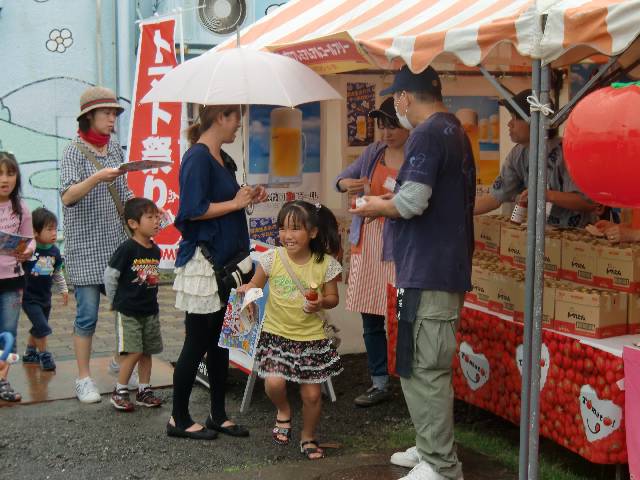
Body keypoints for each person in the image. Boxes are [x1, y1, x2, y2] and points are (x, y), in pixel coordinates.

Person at [350, 66, 475, 480]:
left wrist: (375, 205)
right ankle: (428, 448)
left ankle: (440, 465)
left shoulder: (428, 133)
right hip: (427, 268)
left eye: (396, 98)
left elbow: (412, 202)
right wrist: (388, 204)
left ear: (404, 97)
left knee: (425, 368)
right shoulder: (451, 130)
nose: (396, 107)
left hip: (429, 269)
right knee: (414, 362)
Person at [167, 104, 267, 440]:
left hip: (227, 261)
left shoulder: (222, 158)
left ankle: (218, 415)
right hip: (205, 263)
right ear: (220, 117)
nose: (238, 125)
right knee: (197, 342)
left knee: (222, 341)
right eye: (236, 117)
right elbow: (192, 210)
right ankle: (179, 418)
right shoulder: (197, 158)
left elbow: (225, 203)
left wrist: (246, 198)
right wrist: (236, 203)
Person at [237, 200, 343, 460]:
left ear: (313, 232)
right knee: (273, 383)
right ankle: (284, 411)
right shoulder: (272, 258)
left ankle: (308, 436)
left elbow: (333, 298)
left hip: (312, 338)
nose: (287, 235)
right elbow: (255, 285)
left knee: (312, 395)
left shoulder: (325, 264)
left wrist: (321, 301)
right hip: (276, 334)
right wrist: (247, 289)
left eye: (295, 228)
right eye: (283, 228)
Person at [59, 86, 134, 403]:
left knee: (126, 311)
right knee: (87, 316)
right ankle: (83, 378)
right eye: (106, 113)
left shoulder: (115, 149)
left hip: (116, 245)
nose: (112, 119)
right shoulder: (72, 151)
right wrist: (96, 178)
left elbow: (124, 192)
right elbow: (67, 196)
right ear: (89, 116)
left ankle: (120, 362)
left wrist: (145, 212)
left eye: (115, 113)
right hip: (84, 248)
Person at [335, 97, 409, 407]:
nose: (387, 132)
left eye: (393, 125)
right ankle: (379, 381)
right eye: (382, 125)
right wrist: (346, 184)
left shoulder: (416, 156)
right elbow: (341, 179)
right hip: (367, 243)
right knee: (371, 317)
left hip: (400, 248)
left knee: (404, 315)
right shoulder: (373, 152)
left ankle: (408, 380)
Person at [474, 89, 599, 228]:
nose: (509, 124)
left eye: (515, 118)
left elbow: (589, 202)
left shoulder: (568, 152)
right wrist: (461, 211)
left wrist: (546, 195)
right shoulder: (518, 154)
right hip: (542, 234)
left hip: (577, 235)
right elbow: (495, 197)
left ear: (534, 121)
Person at [104, 197, 163, 412]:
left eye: (157, 217)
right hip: (128, 312)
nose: (156, 221)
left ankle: (143, 390)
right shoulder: (127, 248)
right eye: (150, 217)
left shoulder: (155, 250)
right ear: (133, 223)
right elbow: (110, 275)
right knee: (134, 351)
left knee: (147, 351)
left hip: (150, 311)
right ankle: (119, 390)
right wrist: (114, 300)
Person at [0, 151, 34, 402]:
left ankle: (2, 380)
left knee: (8, 332)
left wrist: (28, 251)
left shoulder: (21, 207)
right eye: (0, 174)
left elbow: (30, 239)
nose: (4, 179)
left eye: (10, 173)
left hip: (12, 280)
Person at [21, 207, 68, 371]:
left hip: (45, 298)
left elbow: (57, 272)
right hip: (29, 298)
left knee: (38, 327)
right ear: (35, 232)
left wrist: (63, 289)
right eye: (49, 229)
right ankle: (44, 355)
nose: (54, 233)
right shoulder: (28, 250)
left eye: (55, 229)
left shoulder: (55, 251)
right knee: (42, 327)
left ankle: (30, 353)